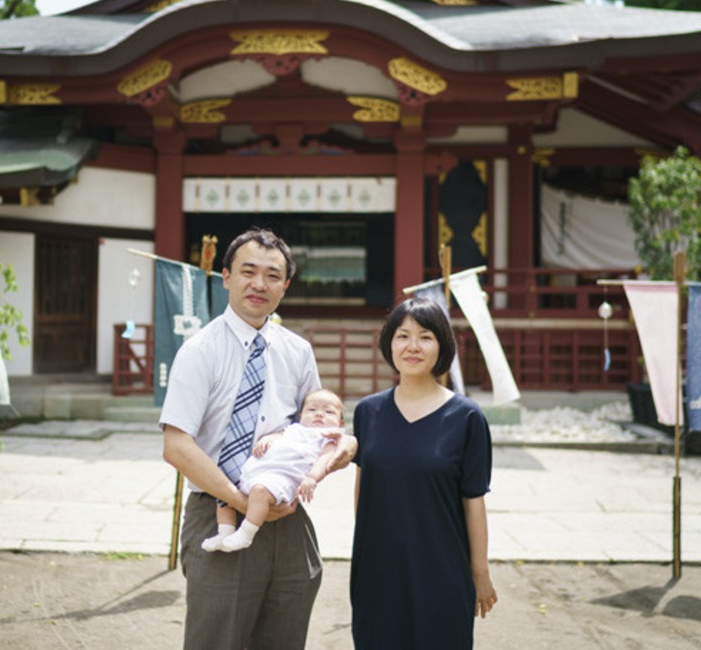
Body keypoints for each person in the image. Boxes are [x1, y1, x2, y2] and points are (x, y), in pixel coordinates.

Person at [160, 228, 357, 650]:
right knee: (217, 639)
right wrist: (239, 499)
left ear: (285, 287)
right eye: (248, 272)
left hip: (285, 514)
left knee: (285, 633)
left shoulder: (297, 351)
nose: (259, 284)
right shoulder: (199, 351)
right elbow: (176, 446)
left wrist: (335, 457)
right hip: (218, 510)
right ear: (226, 276)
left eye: (272, 276)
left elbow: (318, 432)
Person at [350, 297, 498, 649]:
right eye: (403, 336)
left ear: (442, 345)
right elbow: (364, 489)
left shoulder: (466, 418)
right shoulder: (368, 412)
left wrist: (480, 572)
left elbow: (473, 501)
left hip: (442, 568)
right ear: (389, 343)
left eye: (425, 336)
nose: (412, 346)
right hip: (378, 569)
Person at [202, 388, 346, 553]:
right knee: (224, 495)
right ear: (301, 415)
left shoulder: (327, 438)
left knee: (260, 491)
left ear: (340, 422)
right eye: (312, 410)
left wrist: (312, 478)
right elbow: (280, 435)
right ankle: (225, 532)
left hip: (283, 479)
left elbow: (324, 460)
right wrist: (268, 439)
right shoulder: (295, 429)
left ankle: (246, 533)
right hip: (256, 472)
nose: (319, 414)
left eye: (329, 412)